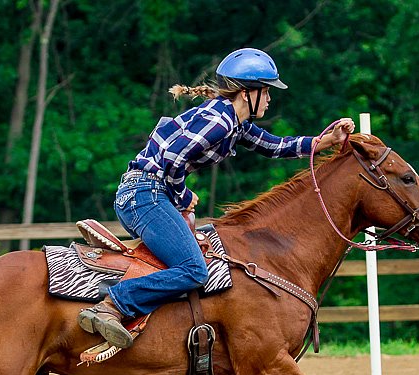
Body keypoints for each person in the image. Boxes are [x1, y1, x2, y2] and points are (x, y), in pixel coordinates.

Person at [77, 47, 355, 349]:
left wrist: (326, 141)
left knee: (186, 263)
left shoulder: (236, 125)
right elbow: (173, 156)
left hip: (147, 194)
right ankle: (113, 305)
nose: (271, 98)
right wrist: (183, 196)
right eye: (267, 91)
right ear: (247, 93)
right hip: (145, 196)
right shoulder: (220, 121)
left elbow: (276, 146)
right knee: (194, 270)